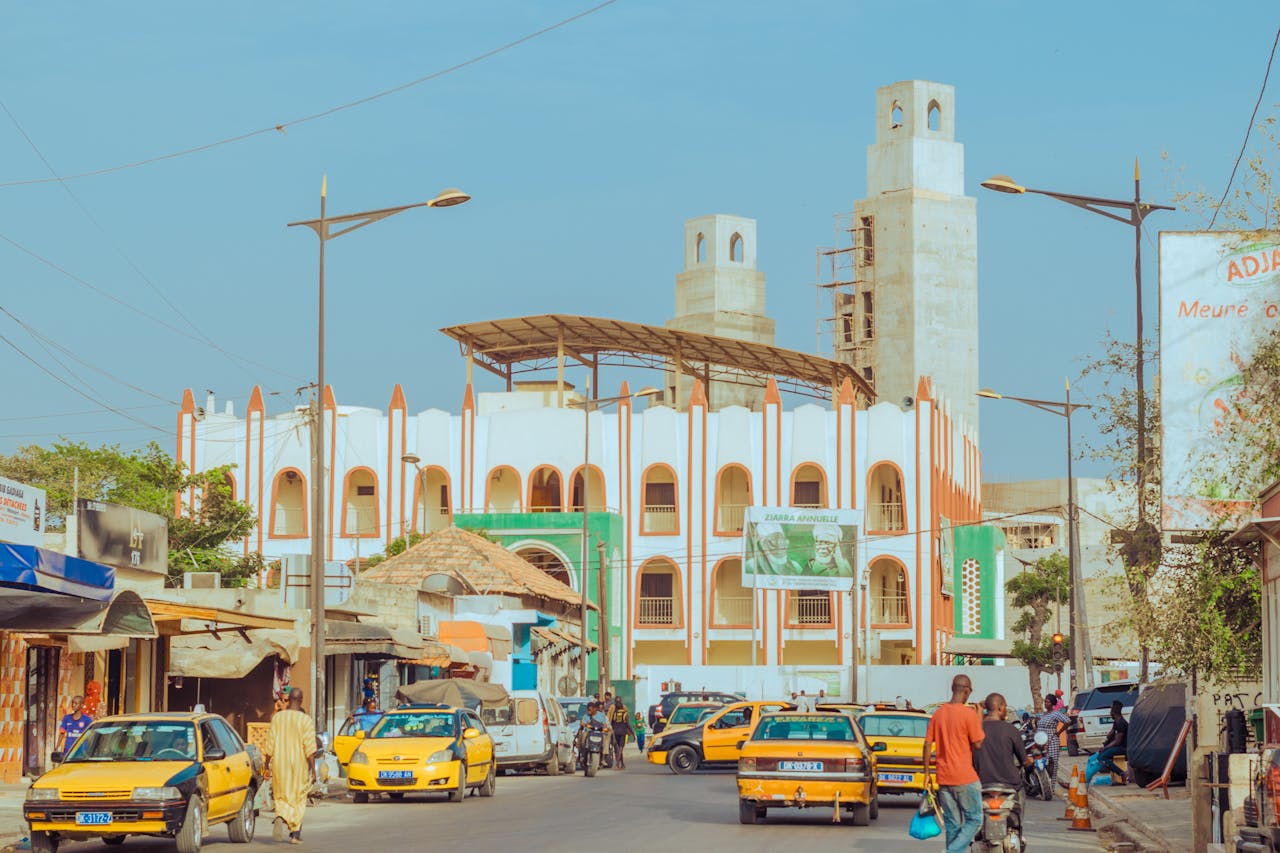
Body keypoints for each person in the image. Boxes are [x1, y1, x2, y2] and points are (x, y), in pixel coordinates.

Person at [923, 675, 985, 853]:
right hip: (965, 778)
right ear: (966, 690)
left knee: (953, 824)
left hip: (943, 778)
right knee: (975, 819)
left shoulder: (938, 713)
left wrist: (926, 773)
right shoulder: (969, 714)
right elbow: (978, 744)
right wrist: (979, 717)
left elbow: (927, 744)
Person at [264, 688, 318, 844]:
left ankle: (280, 815)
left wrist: (267, 766)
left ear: (290, 700)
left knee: (281, 794)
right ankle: (295, 835)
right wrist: (313, 771)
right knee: (298, 797)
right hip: (298, 765)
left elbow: (269, 745)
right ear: (300, 700)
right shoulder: (305, 720)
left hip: (280, 764)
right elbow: (309, 748)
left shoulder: (278, 718)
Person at [973, 693, 1029, 832]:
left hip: (981, 785)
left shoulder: (975, 731)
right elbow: (1025, 761)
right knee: (1018, 814)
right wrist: (1030, 763)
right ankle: (1018, 832)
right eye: (1005, 707)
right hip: (1010, 785)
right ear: (1001, 707)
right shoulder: (1011, 730)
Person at [1036, 694, 1071, 788]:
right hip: (1040, 743)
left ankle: (1051, 787)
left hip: (1051, 741)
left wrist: (1059, 732)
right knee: (1041, 764)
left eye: (1047, 702)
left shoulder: (1055, 714)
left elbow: (1068, 721)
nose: (1045, 703)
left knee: (1053, 764)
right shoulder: (1043, 714)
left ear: (1052, 703)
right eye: (1045, 701)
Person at [1096, 700, 1129, 784]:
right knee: (1099, 755)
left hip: (1123, 748)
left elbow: (1117, 741)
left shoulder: (1121, 723)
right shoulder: (1117, 722)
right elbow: (1111, 734)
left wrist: (1105, 748)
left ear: (1113, 712)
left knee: (1103, 757)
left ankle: (1121, 773)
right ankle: (1115, 775)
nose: (1109, 713)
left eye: (1110, 711)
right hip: (1119, 746)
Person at [608, 697, 631, 769]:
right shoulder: (624, 711)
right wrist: (631, 732)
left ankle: (622, 764)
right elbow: (627, 722)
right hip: (622, 731)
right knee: (620, 748)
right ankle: (617, 763)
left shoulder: (613, 710)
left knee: (617, 748)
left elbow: (609, 719)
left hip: (615, 731)